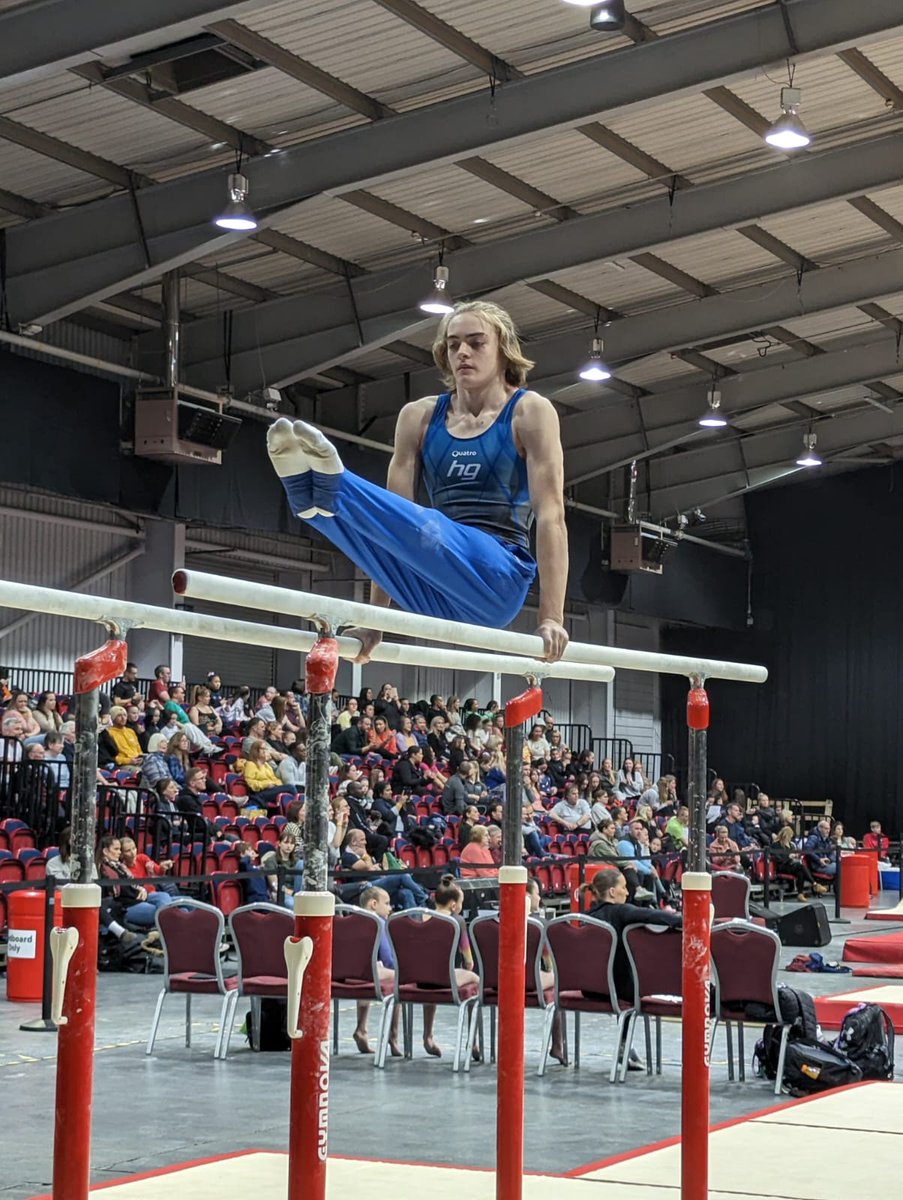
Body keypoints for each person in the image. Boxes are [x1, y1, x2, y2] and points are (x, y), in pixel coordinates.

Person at [267, 300, 569, 663]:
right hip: (431, 584)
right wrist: (374, 620)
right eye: (453, 344)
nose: (462, 353)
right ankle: (312, 501)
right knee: (404, 528)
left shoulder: (529, 411)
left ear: (503, 351)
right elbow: (392, 530)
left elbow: (552, 517)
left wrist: (551, 618)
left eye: (476, 342)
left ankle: (337, 487)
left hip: (496, 580)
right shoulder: (419, 417)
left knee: (430, 528)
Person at [580, 867, 682, 1039]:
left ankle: (626, 1046)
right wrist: (686, 919)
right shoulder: (621, 911)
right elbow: (652, 915)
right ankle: (624, 1044)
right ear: (612, 892)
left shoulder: (585, 917)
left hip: (590, 988)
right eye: (624, 887)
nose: (627, 892)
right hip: (620, 989)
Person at [340, 828, 429, 910]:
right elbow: (365, 867)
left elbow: (369, 868)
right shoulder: (347, 856)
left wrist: (370, 865)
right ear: (353, 842)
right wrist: (365, 855)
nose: (365, 842)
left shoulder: (359, 855)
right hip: (366, 888)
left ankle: (413, 922)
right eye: (362, 840)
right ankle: (423, 898)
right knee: (402, 875)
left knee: (406, 893)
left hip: (378, 881)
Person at [770, 825, 827, 902]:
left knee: (800, 872)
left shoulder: (790, 845)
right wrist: (789, 856)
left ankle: (800, 894)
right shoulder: (776, 845)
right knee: (801, 867)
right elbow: (778, 858)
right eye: (789, 836)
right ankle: (815, 884)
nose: (790, 838)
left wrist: (796, 856)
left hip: (791, 864)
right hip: (782, 866)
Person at [260, 831, 303, 908]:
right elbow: (275, 886)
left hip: (297, 892)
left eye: (291, 843)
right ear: (279, 843)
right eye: (286, 842)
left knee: (301, 863)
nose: (289, 846)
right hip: (281, 893)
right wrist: (292, 893)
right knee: (291, 903)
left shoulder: (296, 861)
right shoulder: (271, 860)